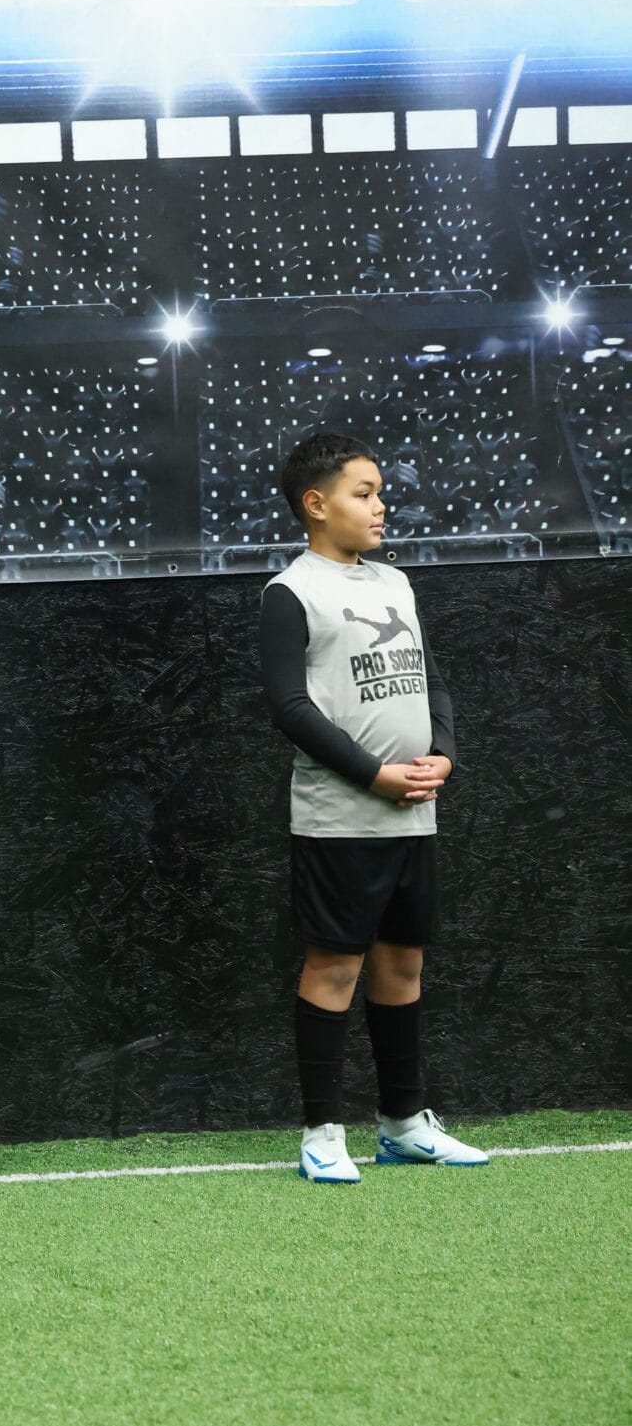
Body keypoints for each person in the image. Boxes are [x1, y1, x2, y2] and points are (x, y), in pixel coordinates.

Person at [260, 433, 488, 1183]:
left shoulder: (395, 583)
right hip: (339, 820)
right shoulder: (291, 592)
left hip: (413, 818)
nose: (380, 504)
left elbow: (433, 683)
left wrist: (443, 754)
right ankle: (322, 1133)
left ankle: (402, 1125)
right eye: (364, 492)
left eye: (380, 491)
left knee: (404, 964)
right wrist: (375, 775)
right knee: (334, 966)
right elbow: (290, 707)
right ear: (316, 505)